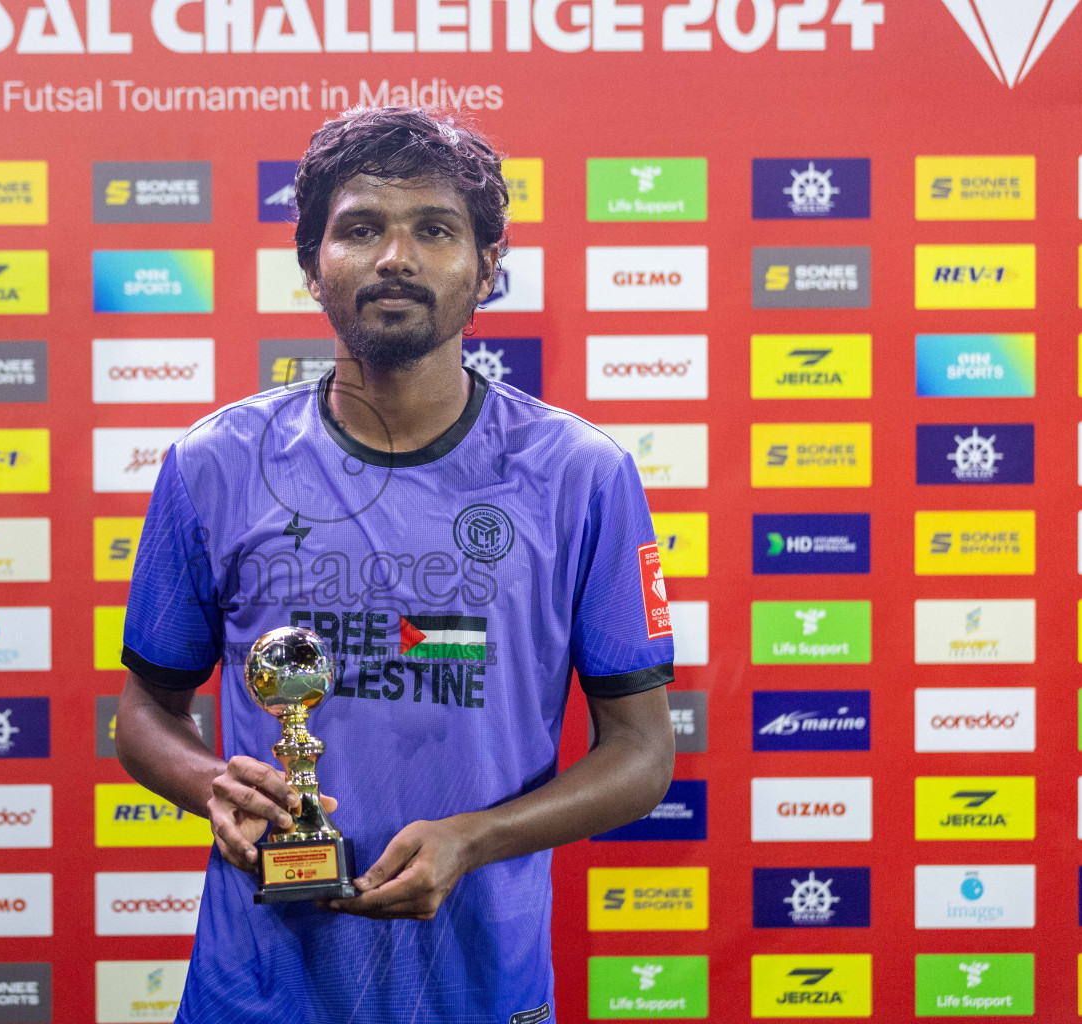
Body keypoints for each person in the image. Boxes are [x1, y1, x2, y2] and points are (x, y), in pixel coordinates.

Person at [115, 106, 676, 1024]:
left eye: (436, 230)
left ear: (487, 268)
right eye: (362, 228)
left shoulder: (582, 474)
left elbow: (642, 754)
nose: (396, 258)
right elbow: (144, 714)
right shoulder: (212, 463)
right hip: (257, 988)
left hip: (478, 983)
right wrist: (208, 783)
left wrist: (475, 837)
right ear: (312, 265)